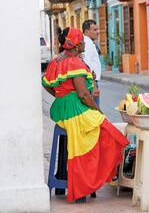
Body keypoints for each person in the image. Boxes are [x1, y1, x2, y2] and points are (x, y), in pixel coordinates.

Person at [42, 27, 129, 203]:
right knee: (110, 133)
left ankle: (69, 179)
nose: (84, 42)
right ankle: (89, 180)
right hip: (75, 109)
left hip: (61, 109)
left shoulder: (56, 61)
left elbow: (46, 83)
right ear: (76, 45)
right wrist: (98, 111)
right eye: (81, 40)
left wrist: (61, 96)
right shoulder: (74, 63)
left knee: (98, 129)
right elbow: (83, 94)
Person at [82, 20, 101, 107]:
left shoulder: (89, 42)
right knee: (95, 112)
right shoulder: (87, 44)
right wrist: (93, 85)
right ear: (86, 31)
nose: (98, 32)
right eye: (94, 30)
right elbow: (87, 66)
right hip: (90, 82)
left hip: (90, 82)